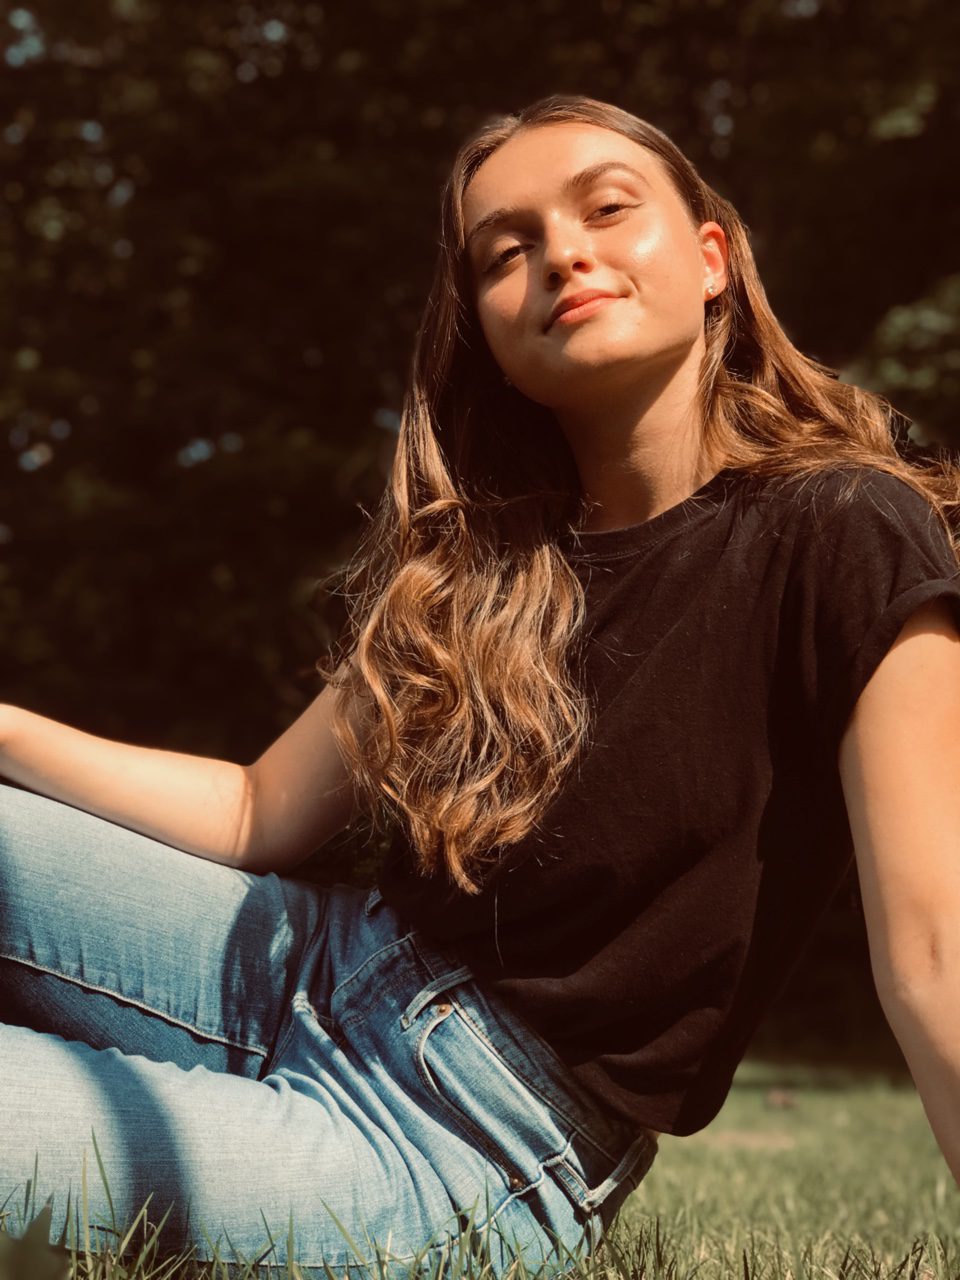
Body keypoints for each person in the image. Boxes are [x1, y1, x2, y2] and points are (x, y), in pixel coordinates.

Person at [2, 92, 960, 1277]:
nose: (563, 251)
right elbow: (256, 809)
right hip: (302, 964)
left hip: (462, 1145)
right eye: (507, 249)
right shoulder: (487, 567)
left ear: (712, 258)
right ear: (488, 328)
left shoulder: (849, 529)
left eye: (608, 208)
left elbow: (936, 954)